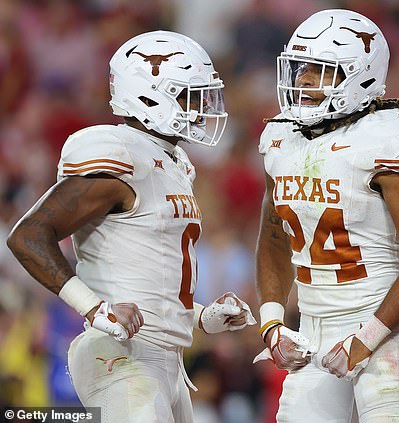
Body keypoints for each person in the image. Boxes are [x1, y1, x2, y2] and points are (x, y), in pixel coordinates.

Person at [6, 30, 256, 422]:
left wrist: (202, 316)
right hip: (120, 353)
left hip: (165, 358)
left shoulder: (171, 162)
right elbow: (28, 235)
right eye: (188, 94)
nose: (200, 106)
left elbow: (147, 281)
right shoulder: (119, 157)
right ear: (150, 96)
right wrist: (93, 308)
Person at [253, 9, 399, 423]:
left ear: (359, 76)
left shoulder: (386, 137)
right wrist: (272, 322)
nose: (303, 80)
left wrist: (367, 338)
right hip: (313, 324)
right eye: (302, 67)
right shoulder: (281, 137)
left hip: (384, 324)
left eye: (321, 70)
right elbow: (273, 235)